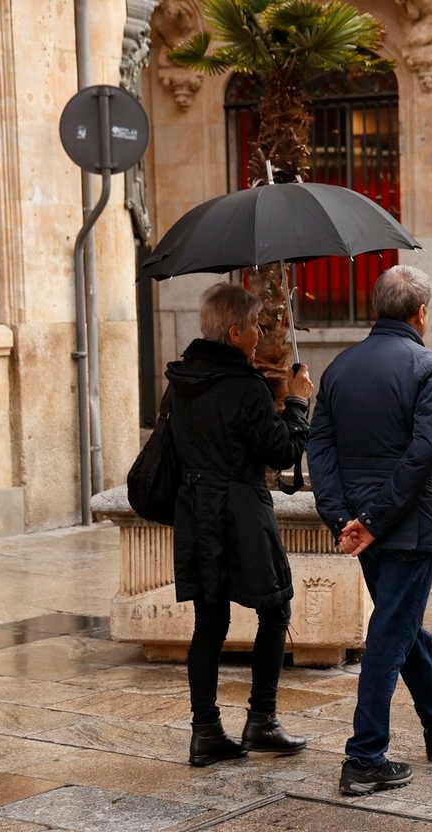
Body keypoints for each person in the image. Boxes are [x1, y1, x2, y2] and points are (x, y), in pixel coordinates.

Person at [308, 265, 432, 796]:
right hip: (407, 527)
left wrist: (344, 517)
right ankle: (364, 756)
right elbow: (424, 453)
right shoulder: (428, 367)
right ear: (420, 313)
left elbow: (320, 449)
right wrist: (375, 520)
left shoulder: (338, 367)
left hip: (366, 526)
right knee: (390, 633)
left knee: (401, 624)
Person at [167, 283, 315, 767]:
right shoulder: (244, 386)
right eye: (254, 326)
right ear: (234, 332)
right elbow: (282, 451)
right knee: (275, 608)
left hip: (196, 509)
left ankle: (205, 731)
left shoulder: (182, 381)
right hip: (241, 509)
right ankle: (262, 720)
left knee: (210, 620)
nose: (259, 334)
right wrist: (295, 401)